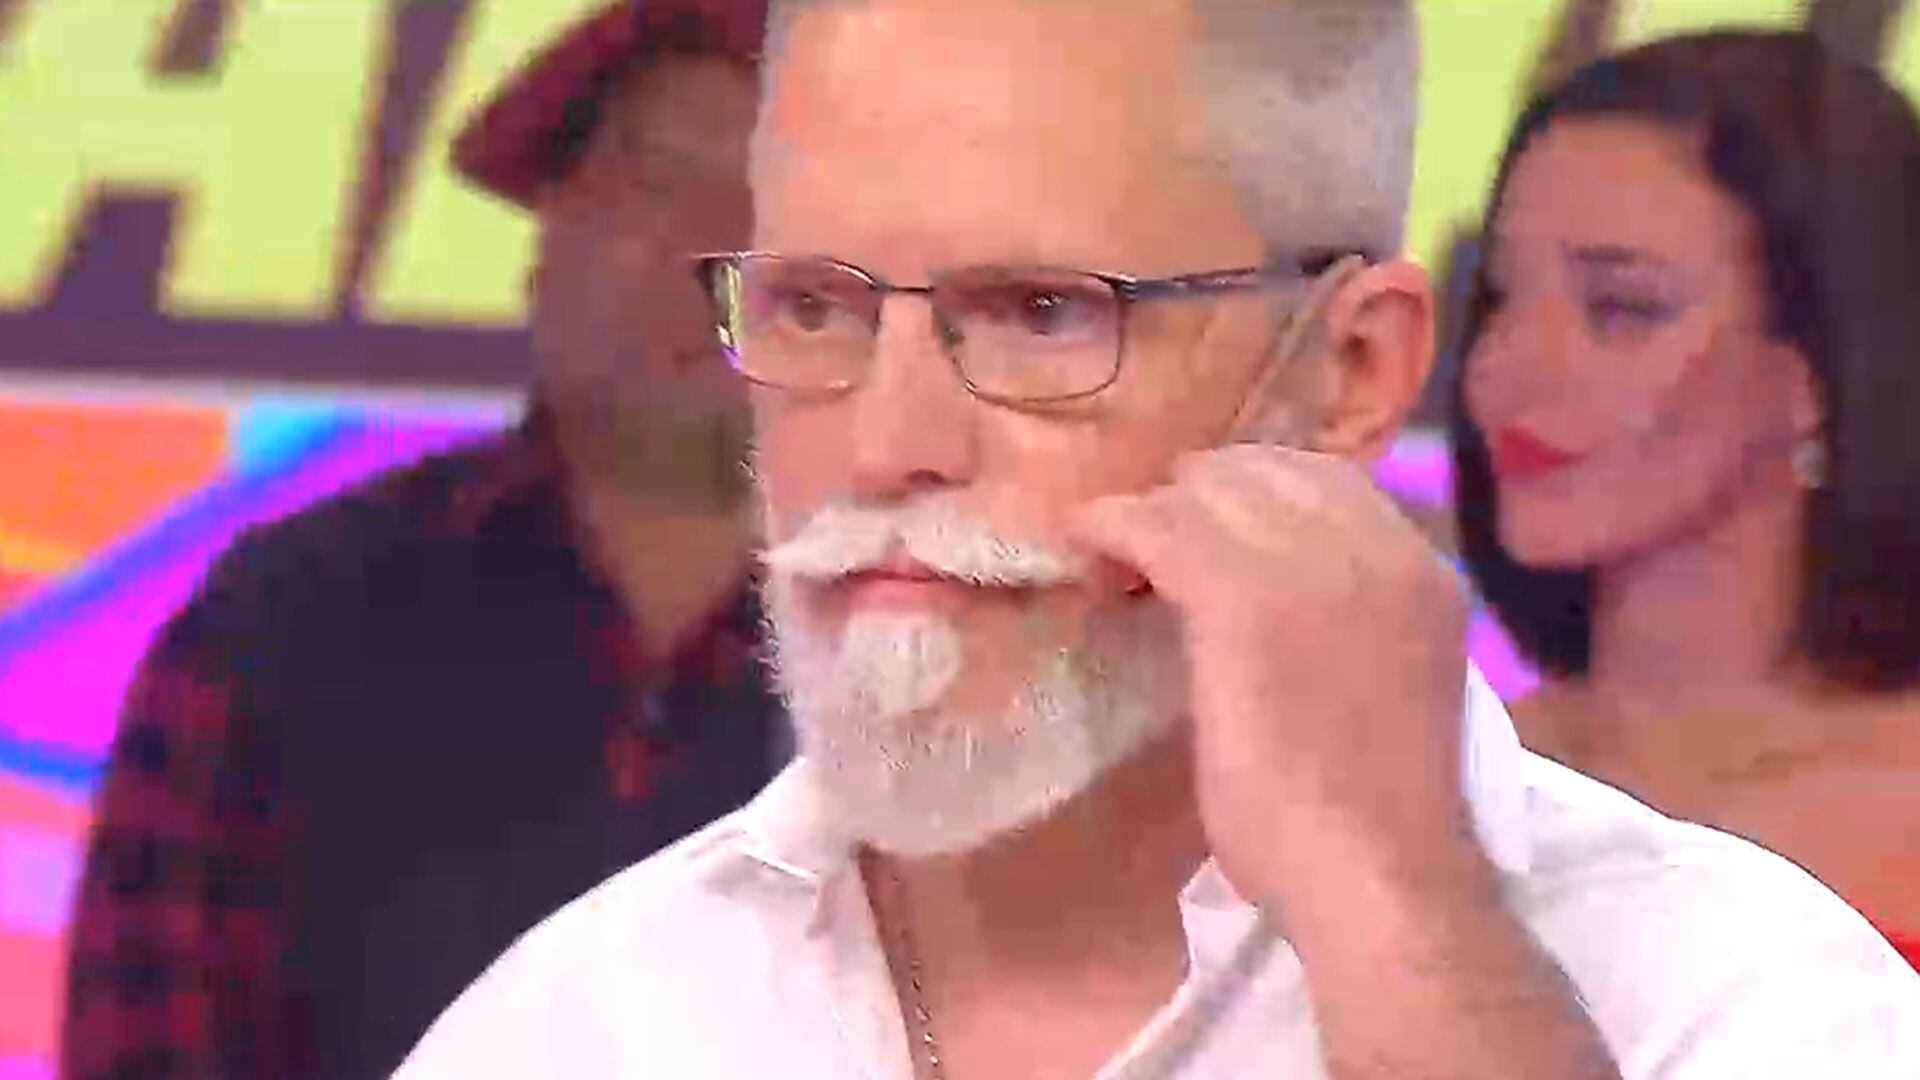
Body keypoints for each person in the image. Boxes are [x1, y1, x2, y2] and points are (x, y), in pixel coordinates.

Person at [398, 2, 1920, 1077]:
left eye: (1041, 313)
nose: (882, 443)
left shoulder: (1737, 1005)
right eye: (814, 307)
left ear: (1348, 375)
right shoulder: (576, 1025)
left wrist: (1400, 919)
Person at [59, 4, 784, 1079]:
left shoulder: (958, 649)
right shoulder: (279, 632)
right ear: (545, 235)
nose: (710, 249)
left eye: (776, 198)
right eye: (659, 180)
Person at [1451, 30, 1920, 970]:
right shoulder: (1438, 772)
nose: (1505, 368)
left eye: (1621, 309)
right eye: (1500, 295)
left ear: (1820, 369)